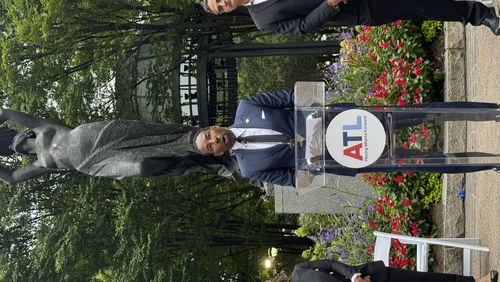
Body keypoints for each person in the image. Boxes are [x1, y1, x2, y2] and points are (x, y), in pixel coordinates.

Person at [195, 89, 500, 186]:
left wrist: (315, 110)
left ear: (216, 126)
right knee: (424, 162)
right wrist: (310, 167)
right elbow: (292, 179)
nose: (214, 141)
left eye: (210, 135)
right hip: (345, 156)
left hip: (346, 123)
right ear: (217, 154)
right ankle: (489, 164)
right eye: (211, 147)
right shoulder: (250, 169)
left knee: (422, 113)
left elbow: (291, 95)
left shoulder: (248, 106)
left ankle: (492, 112)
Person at [0, 108, 239, 185]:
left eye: (16, 139)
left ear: (23, 132)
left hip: (102, 135)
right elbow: (10, 178)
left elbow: (4, 112)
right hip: (92, 163)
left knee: (157, 136)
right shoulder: (40, 164)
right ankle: (211, 161)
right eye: (14, 148)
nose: (17, 145)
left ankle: (208, 148)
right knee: (143, 166)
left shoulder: (43, 128)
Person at [202, 0, 500, 36]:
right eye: (221, 8)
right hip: (355, 8)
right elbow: (304, 26)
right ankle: (480, 14)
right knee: (418, 7)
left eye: (219, 0)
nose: (224, 3)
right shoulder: (262, 19)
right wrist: (330, 4)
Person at [272, 259, 498, 282]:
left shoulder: (299, 270)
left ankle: (477, 281)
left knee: (426, 280)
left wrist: (355, 277)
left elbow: (330, 264)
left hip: (372, 277)